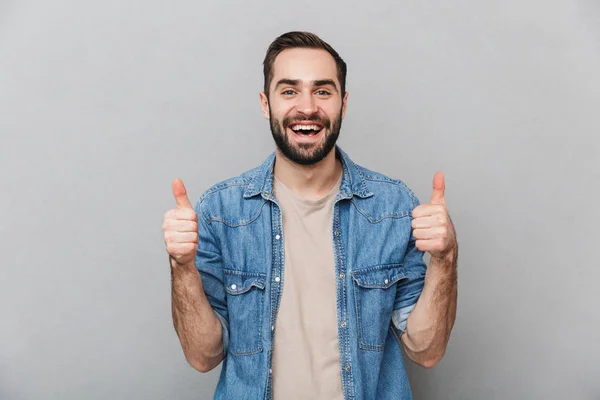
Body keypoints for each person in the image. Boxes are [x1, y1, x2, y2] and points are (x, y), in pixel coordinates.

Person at [162, 31, 458, 400]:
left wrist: (445, 260)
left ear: (343, 103)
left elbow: (426, 351)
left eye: (322, 91)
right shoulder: (220, 212)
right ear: (265, 103)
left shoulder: (393, 207)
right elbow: (202, 356)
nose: (306, 107)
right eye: (289, 91)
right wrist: (182, 268)